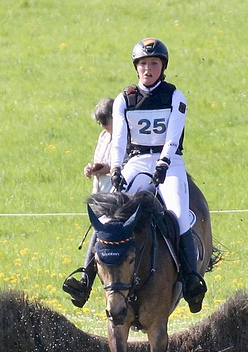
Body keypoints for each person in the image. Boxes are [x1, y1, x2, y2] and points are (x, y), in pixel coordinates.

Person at [63, 38, 207, 313]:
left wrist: (163, 164)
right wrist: (116, 168)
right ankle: (85, 279)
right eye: (143, 64)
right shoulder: (124, 99)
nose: (148, 69)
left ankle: (191, 279)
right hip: (136, 161)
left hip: (170, 164)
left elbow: (173, 137)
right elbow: (118, 140)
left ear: (163, 67)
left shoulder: (175, 96)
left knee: (178, 214)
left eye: (153, 63)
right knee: (108, 216)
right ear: (136, 67)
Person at [83, 98, 114, 193]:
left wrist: (109, 169)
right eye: (99, 122)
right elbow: (99, 161)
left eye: (104, 122)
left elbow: (131, 166)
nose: (102, 126)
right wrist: (91, 169)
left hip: (115, 190)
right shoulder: (103, 136)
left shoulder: (128, 139)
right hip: (99, 190)